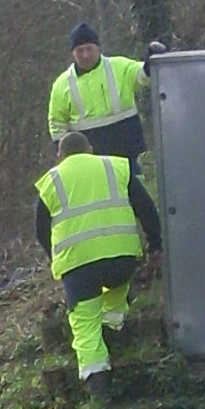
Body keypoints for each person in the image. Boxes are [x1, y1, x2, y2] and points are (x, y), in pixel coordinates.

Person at [35, 127, 163, 393]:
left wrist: (56, 258)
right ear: (91, 149)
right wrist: (156, 245)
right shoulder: (117, 166)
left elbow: (40, 229)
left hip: (78, 268)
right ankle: (115, 323)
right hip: (122, 258)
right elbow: (147, 209)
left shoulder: (51, 181)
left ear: (60, 155)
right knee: (115, 292)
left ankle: (100, 391)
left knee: (84, 325)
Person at [47, 20, 149, 165]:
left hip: (129, 149)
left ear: (98, 48)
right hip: (90, 157)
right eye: (80, 51)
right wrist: (62, 149)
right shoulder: (62, 84)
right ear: (72, 53)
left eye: (89, 49)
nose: (85, 55)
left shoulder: (120, 66)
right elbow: (57, 122)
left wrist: (151, 62)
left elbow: (143, 76)